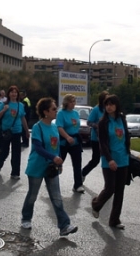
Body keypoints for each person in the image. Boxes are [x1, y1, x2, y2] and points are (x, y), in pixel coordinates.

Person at [21, 97, 78, 237]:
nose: (56, 111)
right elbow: (38, 148)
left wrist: (59, 162)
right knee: (32, 195)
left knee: (57, 197)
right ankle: (26, 218)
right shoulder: (37, 127)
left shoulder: (54, 126)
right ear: (45, 112)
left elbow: (56, 147)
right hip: (36, 167)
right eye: (53, 109)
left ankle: (64, 226)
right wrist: (54, 157)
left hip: (51, 167)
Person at [91, 94, 131, 229]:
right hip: (109, 160)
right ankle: (96, 204)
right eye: (106, 104)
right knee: (110, 188)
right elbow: (102, 143)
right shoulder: (103, 122)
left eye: (111, 104)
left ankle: (114, 220)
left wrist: (128, 153)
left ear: (116, 105)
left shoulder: (122, 119)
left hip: (123, 159)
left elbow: (126, 136)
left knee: (120, 191)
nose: (109, 107)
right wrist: (109, 159)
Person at [0, 85, 29, 179]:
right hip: (6, 132)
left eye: (15, 92)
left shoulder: (20, 105)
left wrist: (26, 130)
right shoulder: (4, 104)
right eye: (12, 92)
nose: (14, 94)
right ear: (9, 94)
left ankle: (15, 173)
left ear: (17, 94)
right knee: (5, 151)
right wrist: (4, 110)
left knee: (16, 153)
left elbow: (23, 118)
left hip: (17, 132)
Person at [56, 94, 84, 193]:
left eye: (74, 101)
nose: (73, 103)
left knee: (77, 164)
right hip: (64, 142)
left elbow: (76, 126)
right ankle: (51, 179)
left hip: (75, 142)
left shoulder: (76, 113)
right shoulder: (61, 113)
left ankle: (78, 185)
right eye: (71, 101)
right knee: (58, 162)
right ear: (66, 103)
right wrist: (67, 137)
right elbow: (59, 127)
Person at [82, 90, 109, 181]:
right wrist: (98, 126)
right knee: (95, 160)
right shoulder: (96, 109)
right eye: (106, 100)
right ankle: (83, 173)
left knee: (109, 159)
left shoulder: (109, 109)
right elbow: (89, 122)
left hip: (108, 139)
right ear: (101, 100)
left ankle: (110, 182)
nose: (107, 102)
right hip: (96, 139)